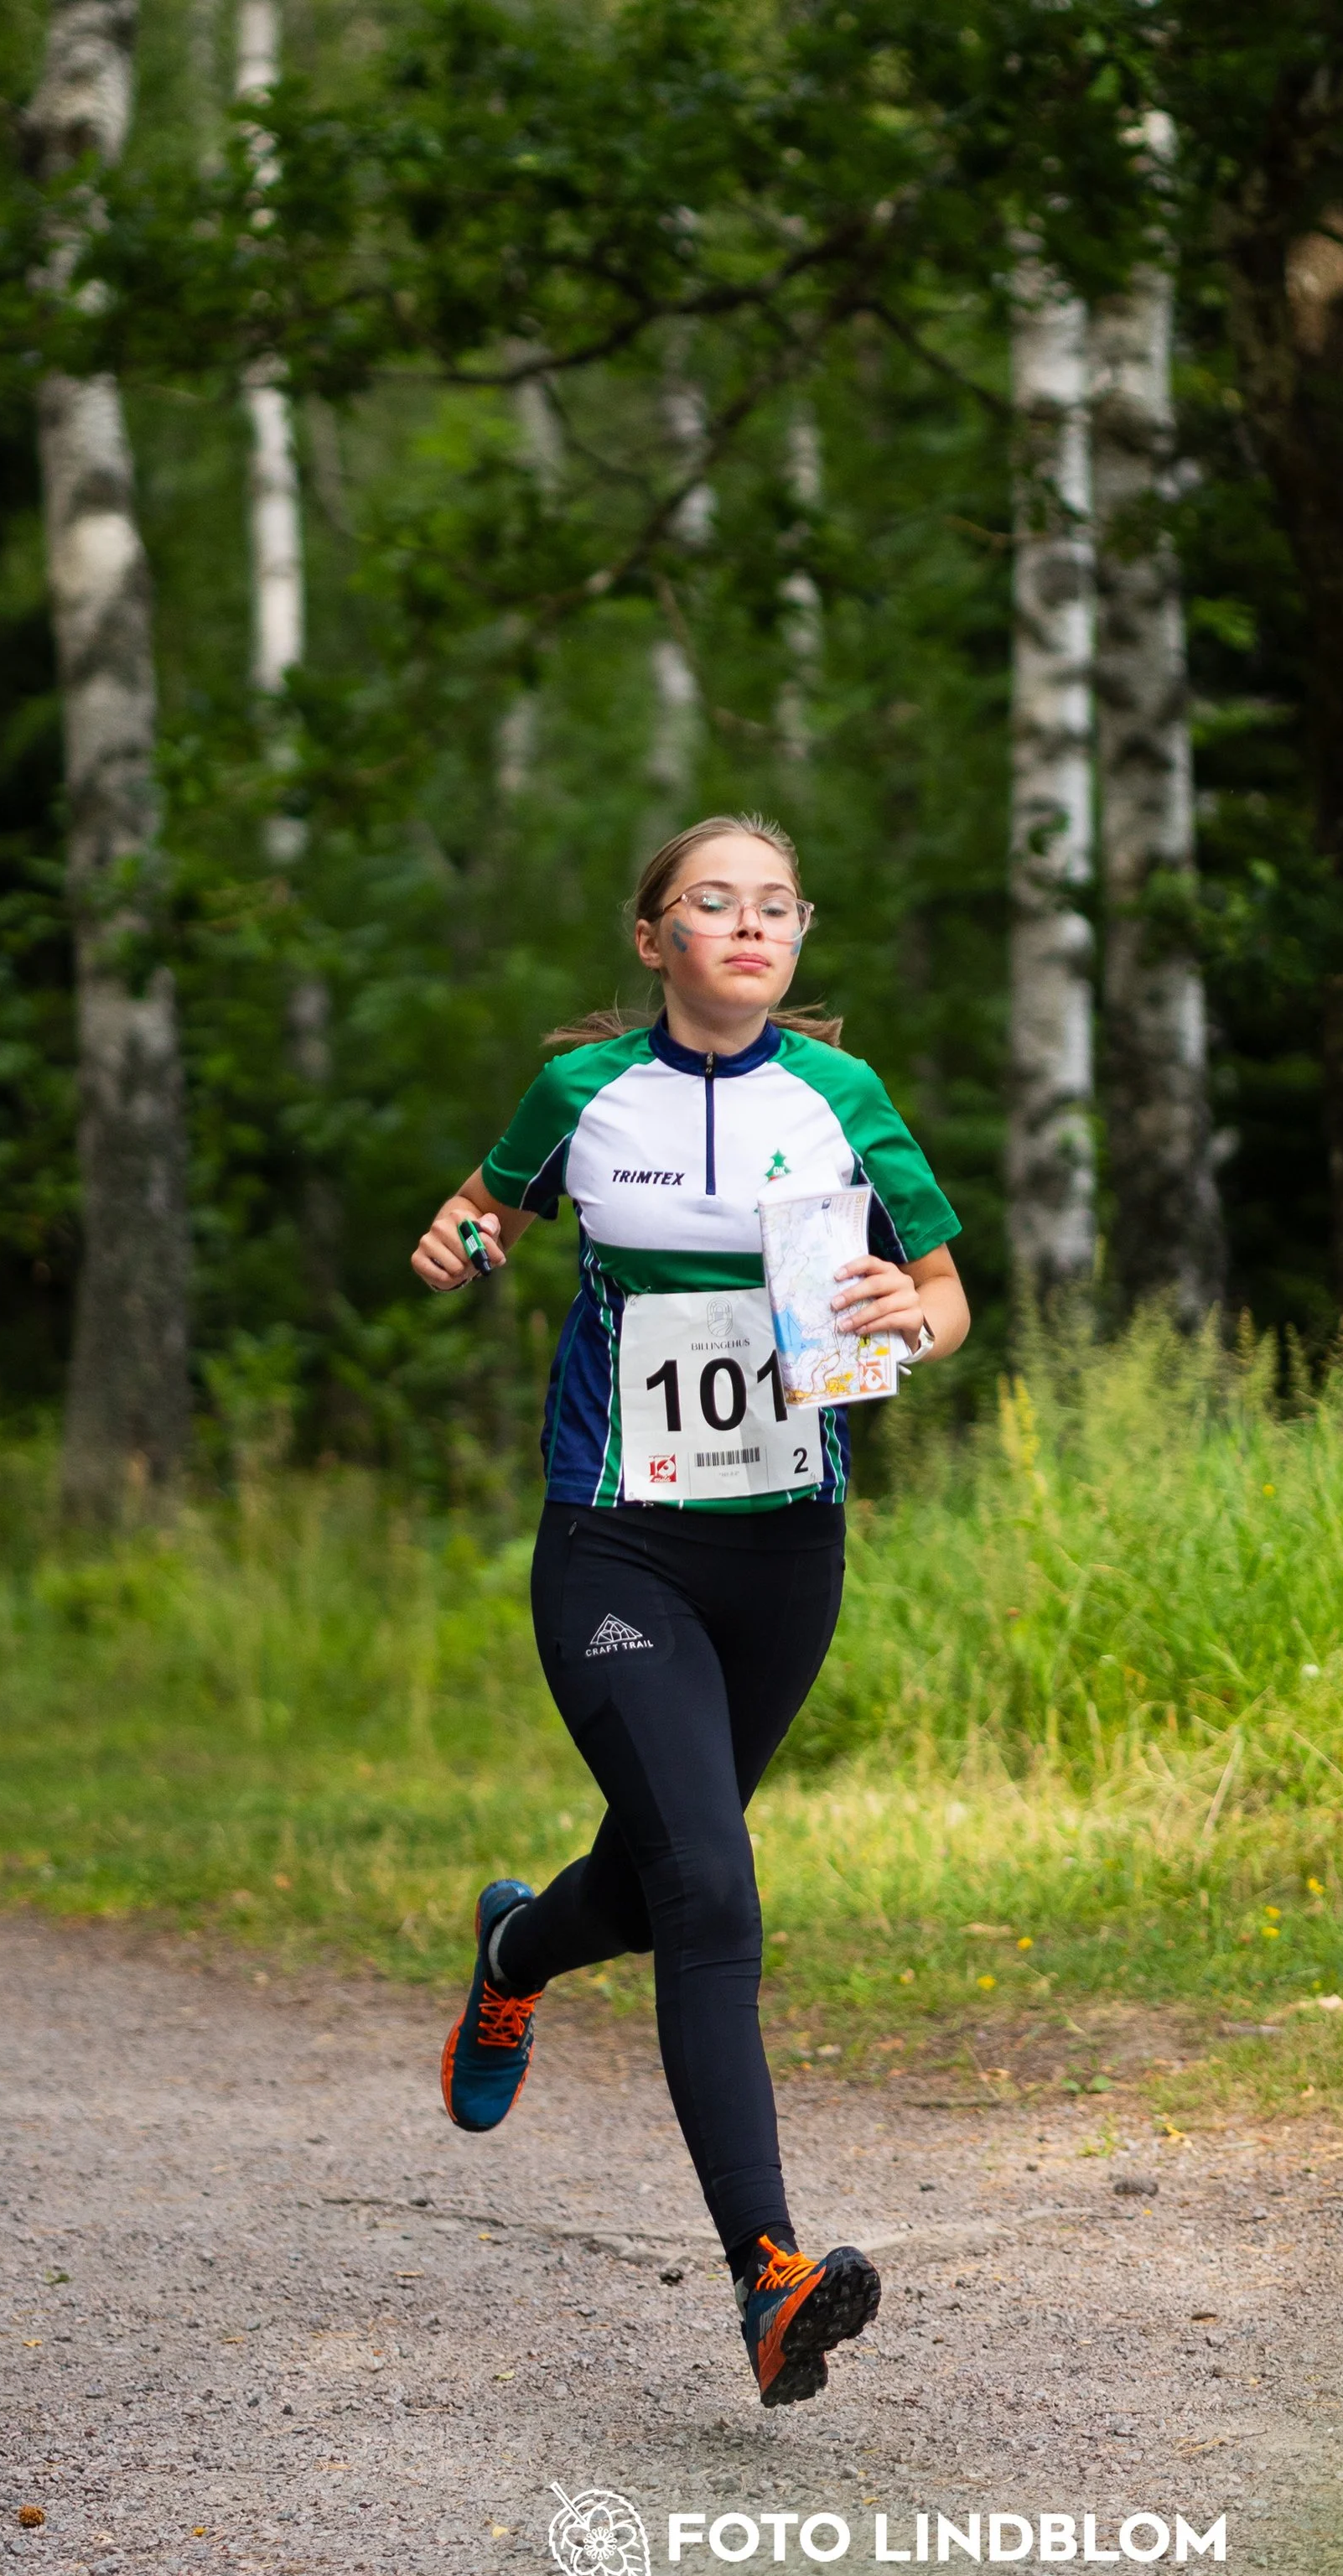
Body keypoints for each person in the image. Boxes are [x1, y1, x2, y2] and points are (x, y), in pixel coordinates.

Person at [410, 813, 969, 2408]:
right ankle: (771, 2276)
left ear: (800, 937)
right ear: (655, 938)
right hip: (620, 1546)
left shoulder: (844, 1101)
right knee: (712, 1892)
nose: (748, 925)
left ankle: (518, 1939)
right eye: (711, 903)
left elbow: (943, 1294)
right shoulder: (584, 1094)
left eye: (776, 906)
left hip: (788, 1547)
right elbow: (482, 1210)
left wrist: (905, 1322)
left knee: (662, 1881)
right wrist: (460, 1246)